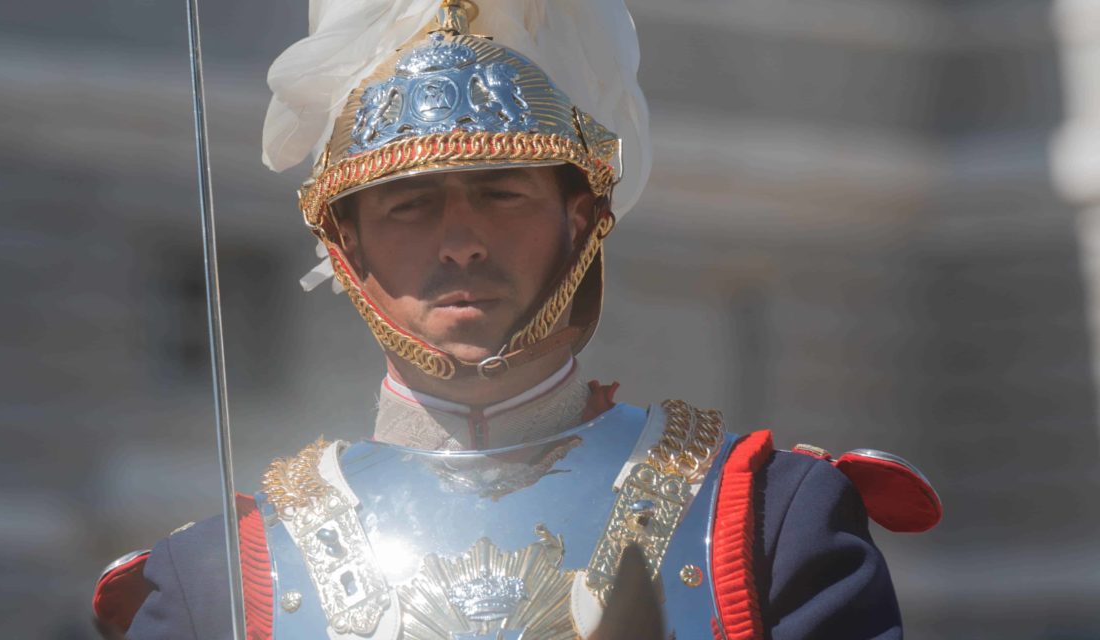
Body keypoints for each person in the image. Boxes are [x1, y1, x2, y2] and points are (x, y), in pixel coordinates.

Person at [92, 1, 942, 638]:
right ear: (345, 244)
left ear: (579, 220)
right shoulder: (211, 582)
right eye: (410, 206)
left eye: (501, 194)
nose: (461, 243)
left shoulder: (772, 520)